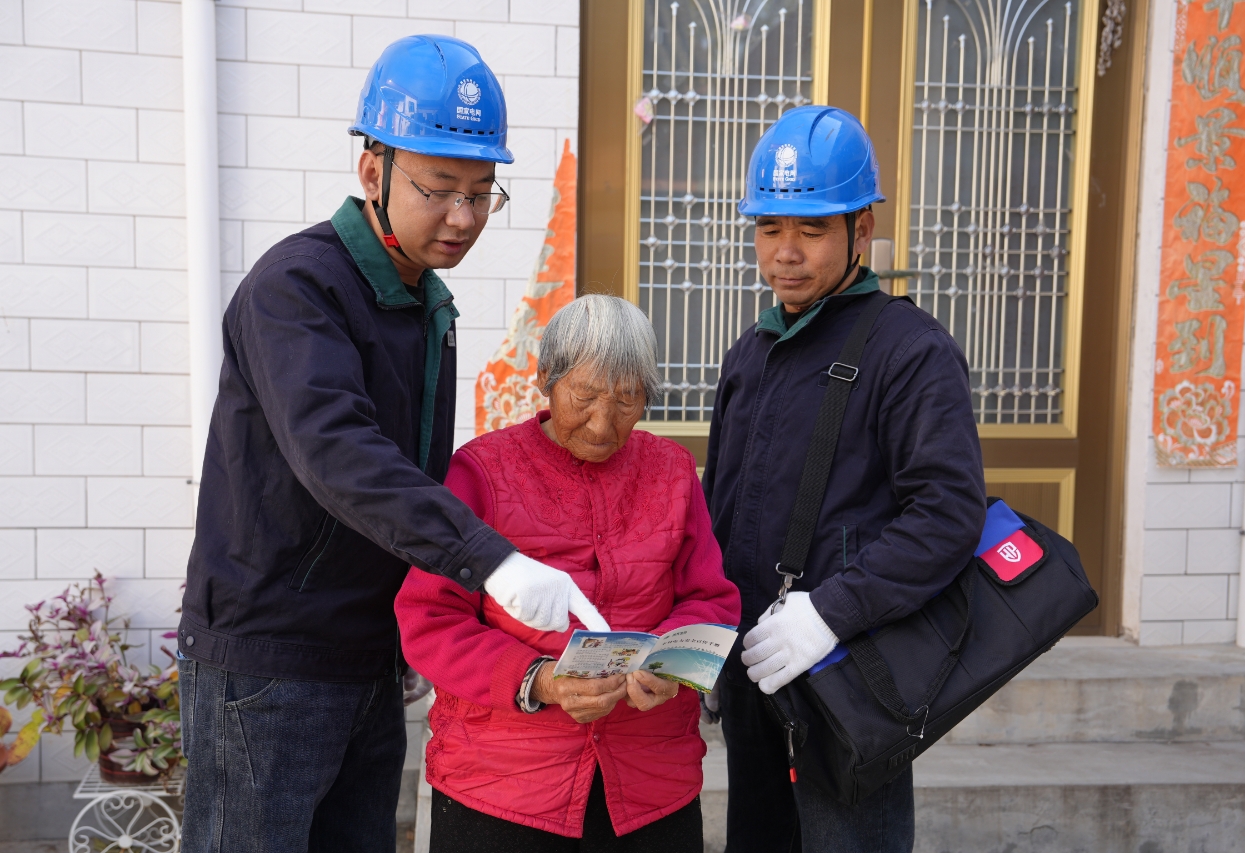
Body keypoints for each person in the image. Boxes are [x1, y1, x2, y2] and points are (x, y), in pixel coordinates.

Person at [177, 36, 605, 853]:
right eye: (438, 189)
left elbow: (414, 478)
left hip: (368, 657)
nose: (463, 217)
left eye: (481, 193)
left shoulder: (423, 303)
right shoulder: (298, 288)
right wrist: (492, 560)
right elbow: (339, 451)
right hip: (271, 661)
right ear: (372, 171)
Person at [702, 106, 987, 852]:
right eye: (769, 228)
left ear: (862, 230)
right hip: (752, 669)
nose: (786, 252)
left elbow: (947, 513)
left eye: (812, 229)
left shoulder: (909, 350)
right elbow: (719, 506)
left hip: (847, 671)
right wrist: (704, 632)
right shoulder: (751, 351)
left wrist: (829, 613)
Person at [396, 295, 741, 852]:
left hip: (651, 777)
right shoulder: (481, 471)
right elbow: (430, 619)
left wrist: (673, 668)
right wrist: (539, 680)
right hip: (503, 782)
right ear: (545, 380)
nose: (603, 424)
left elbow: (711, 599)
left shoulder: (672, 471)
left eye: (627, 400)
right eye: (584, 396)